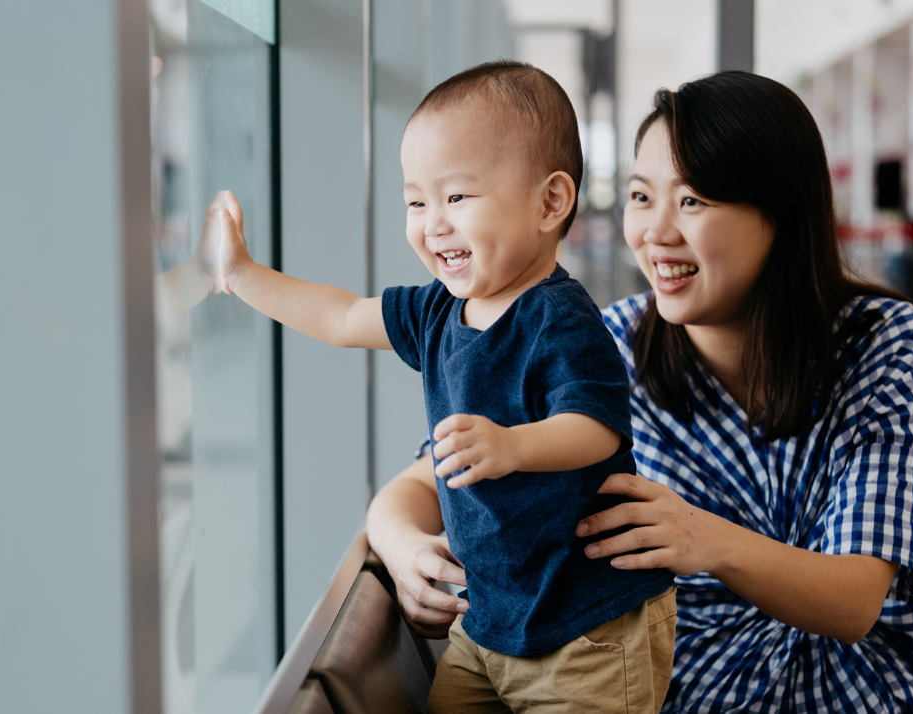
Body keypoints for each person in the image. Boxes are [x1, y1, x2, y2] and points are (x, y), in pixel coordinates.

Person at [368, 71, 913, 712]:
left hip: (871, 687)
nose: (655, 232)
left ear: (780, 212)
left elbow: (856, 600)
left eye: (691, 201)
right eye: (641, 196)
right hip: (693, 686)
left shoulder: (883, 343)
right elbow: (420, 484)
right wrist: (403, 547)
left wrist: (704, 539)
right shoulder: (601, 343)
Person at [213, 61, 675, 712]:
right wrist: (244, 274)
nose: (433, 223)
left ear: (550, 202)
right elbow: (342, 317)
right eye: (416, 202)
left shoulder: (562, 319)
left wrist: (512, 447)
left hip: (589, 633)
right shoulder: (435, 311)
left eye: (457, 197)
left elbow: (594, 429)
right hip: (488, 624)